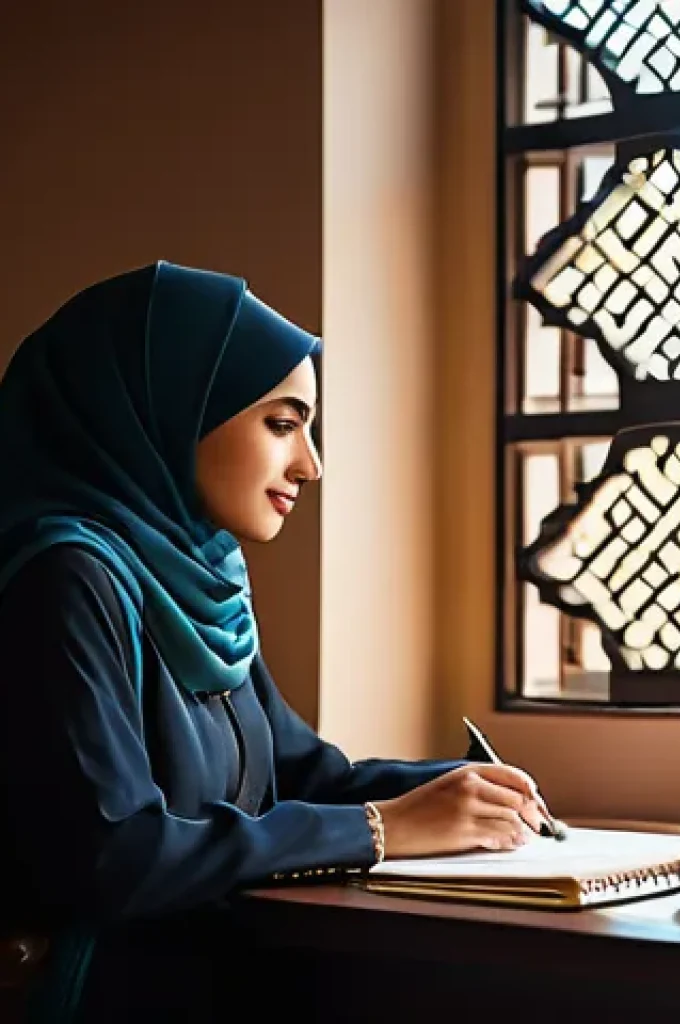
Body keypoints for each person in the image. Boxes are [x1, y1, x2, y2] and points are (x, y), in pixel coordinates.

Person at [0, 262, 550, 1023]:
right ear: (172, 406)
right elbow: (114, 854)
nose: (311, 464)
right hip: (106, 992)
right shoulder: (63, 579)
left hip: (216, 967)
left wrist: (459, 791)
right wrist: (382, 829)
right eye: (283, 424)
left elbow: (294, 775)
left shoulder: (202, 578)